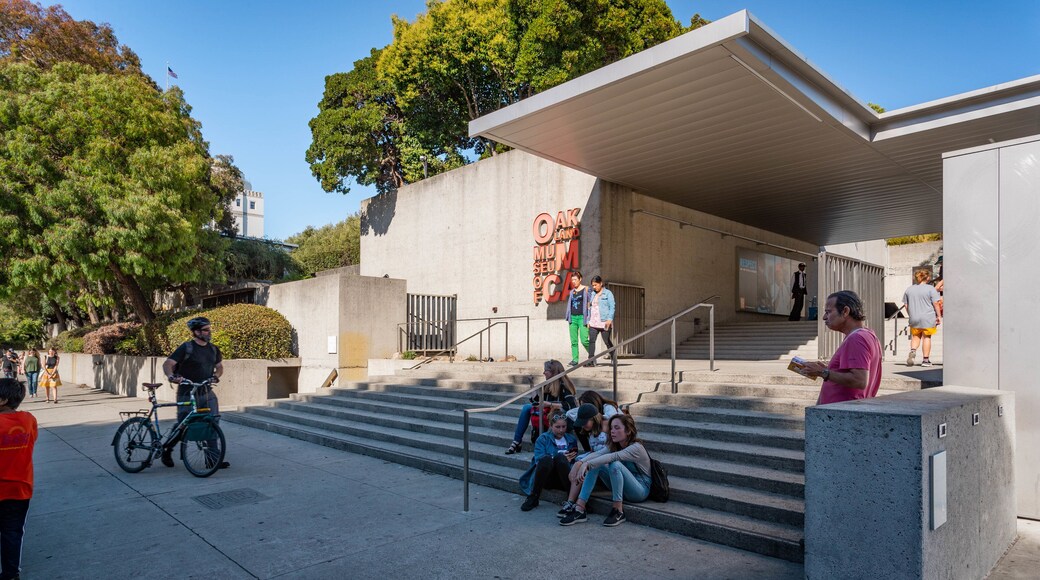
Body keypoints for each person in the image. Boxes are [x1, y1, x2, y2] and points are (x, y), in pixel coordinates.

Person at [559, 414, 651, 527]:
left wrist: (587, 464)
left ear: (628, 431)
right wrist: (579, 463)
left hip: (640, 490)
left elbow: (613, 457)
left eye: (617, 428)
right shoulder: (614, 445)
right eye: (611, 428)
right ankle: (580, 509)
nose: (612, 431)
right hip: (622, 486)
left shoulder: (636, 447)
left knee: (614, 464)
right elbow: (598, 454)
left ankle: (618, 511)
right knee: (597, 462)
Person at [161, 317, 228, 469]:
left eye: (209, 329)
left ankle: (212, 458)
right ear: (196, 332)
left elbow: (219, 367)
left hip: (206, 391)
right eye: (205, 330)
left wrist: (216, 376)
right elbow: (168, 364)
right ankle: (167, 448)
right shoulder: (187, 348)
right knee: (184, 425)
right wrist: (171, 376)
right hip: (187, 392)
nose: (209, 332)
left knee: (212, 423)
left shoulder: (213, 349)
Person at [803, 290, 883, 405]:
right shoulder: (867, 335)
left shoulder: (857, 338)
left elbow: (859, 380)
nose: (824, 317)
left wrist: (823, 372)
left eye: (828, 312)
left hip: (843, 412)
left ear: (845, 311)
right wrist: (827, 370)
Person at [0, 378, 37, 580]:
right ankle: (10, 574)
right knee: (12, 532)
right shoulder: (29, 420)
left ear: (3, 400)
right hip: (20, 488)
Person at [504, 360, 578, 455]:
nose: (543, 373)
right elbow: (536, 401)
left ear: (553, 372)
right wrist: (532, 384)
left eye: (545, 370)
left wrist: (550, 404)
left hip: (560, 416)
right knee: (526, 408)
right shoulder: (547, 385)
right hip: (547, 412)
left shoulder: (564, 387)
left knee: (530, 408)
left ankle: (546, 444)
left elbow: (572, 406)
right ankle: (517, 441)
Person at [517, 413, 578, 511]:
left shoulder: (571, 439)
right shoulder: (543, 439)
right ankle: (534, 496)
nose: (561, 430)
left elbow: (573, 461)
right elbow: (539, 460)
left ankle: (572, 499)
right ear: (550, 425)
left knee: (561, 459)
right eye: (557, 427)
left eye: (564, 426)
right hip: (546, 477)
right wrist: (558, 456)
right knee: (548, 459)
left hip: (564, 477)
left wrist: (569, 459)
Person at [902, 269, 942, 367]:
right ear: (927, 277)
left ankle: (913, 351)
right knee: (926, 337)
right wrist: (939, 316)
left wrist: (911, 315)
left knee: (916, 336)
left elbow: (906, 305)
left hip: (914, 317)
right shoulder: (930, 289)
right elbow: (936, 303)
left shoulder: (909, 289)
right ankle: (925, 360)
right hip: (927, 317)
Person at [585, 276, 615, 366]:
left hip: (604, 321)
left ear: (601, 283)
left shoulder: (608, 293)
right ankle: (591, 361)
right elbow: (590, 307)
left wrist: (610, 319)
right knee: (592, 341)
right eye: (593, 285)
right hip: (593, 322)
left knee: (606, 341)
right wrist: (588, 320)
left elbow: (612, 307)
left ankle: (613, 357)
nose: (594, 287)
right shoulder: (593, 294)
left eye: (596, 285)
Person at [565, 271, 591, 366]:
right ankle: (575, 360)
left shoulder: (587, 289)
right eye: (572, 280)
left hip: (582, 318)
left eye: (575, 279)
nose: (573, 282)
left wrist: (589, 318)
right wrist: (568, 317)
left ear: (580, 279)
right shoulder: (572, 292)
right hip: (573, 318)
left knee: (584, 340)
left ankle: (592, 356)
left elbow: (589, 304)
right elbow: (570, 305)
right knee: (574, 341)